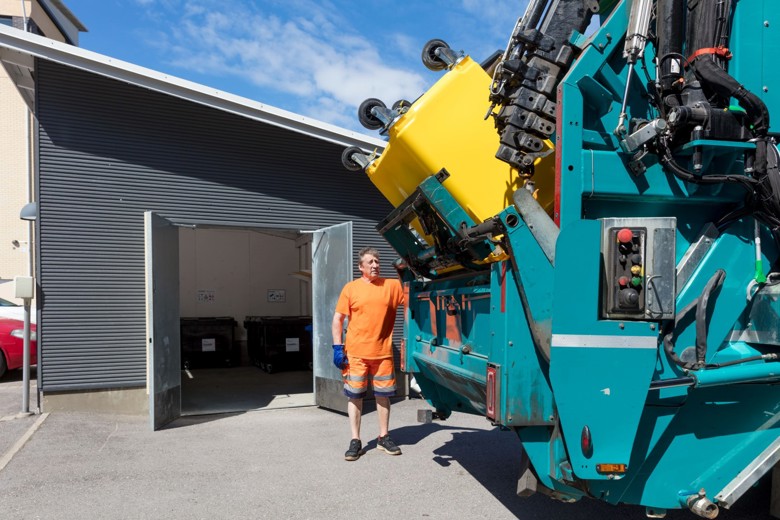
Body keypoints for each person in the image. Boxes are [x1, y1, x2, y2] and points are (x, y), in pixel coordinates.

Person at [332, 246, 405, 461]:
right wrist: (337, 347)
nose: (375, 265)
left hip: (382, 353)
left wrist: (404, 270)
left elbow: (413, 293)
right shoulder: (351, 288)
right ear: (360, 266)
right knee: (355, 397)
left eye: (377, 261)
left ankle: (384, 437)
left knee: (384, 397)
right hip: (355, 354)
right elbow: (338, 318)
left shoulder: (391, 286)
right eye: (370, 262)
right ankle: (355, 440)